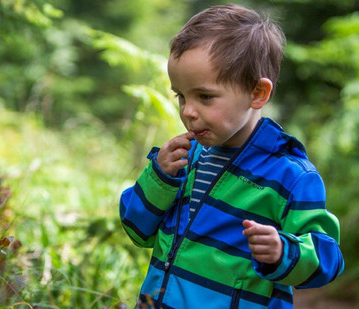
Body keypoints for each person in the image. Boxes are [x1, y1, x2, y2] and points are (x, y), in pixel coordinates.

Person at [119, 3, 344, 309]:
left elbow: (327, 259)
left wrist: (282, 251)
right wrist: (158, 178)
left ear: (257, 93)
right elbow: (137, 230)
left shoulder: (290, 176)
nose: (188, 111)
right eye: (181, 96)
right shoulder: (184, 158)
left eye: (205, 97)